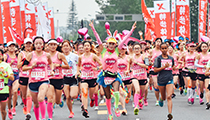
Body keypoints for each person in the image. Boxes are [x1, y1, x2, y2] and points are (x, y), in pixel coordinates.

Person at [90, 21, 136, 120]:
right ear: (106, 44)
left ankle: (116, 107)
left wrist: (131, 30)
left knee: (116, 91)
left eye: (113, 44)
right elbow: (98, 39)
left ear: (115, 45)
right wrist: (93, 28)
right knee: (107, 96)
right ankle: (110, 114)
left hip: (115, 75)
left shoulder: (116, 50)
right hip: (105, 76)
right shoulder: (103, 51)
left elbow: (124, 40)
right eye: (109, 43)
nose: (111, 45)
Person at [22, 36, 54, 120]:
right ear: (34, 45)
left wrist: (52, 70)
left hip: (44, 80)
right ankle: (38, 118)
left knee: (41, 98)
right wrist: (31, 66)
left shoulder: (47, 55)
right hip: (33, 81)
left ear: (43, 45)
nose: (38, 45)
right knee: (36, 104)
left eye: (40, 43)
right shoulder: (30, 55)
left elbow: (51, 63)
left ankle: (43, 118)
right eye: (37, 43)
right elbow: (23, 67)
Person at [75, 41, 102, 118]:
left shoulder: (93, 56)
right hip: (84, 77)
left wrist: (96, 68)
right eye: (85, 46)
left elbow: (101, 65)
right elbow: (78, 65)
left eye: (88, 46)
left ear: (90, 47)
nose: (86, 47)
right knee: (84, 92)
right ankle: (85, 110)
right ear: (83, 47)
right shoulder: (80, 57)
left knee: (90, 95)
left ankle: (92, 99)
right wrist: (77, 72)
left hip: (92, 78)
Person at [46, 39, 69, 120]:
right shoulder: (45, 55)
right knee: (50, 97)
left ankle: (59, 101)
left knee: (57, 100)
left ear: (57, 46)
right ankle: (50, 116)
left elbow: (67, 66)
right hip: (49, 78)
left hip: (58, 79)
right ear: (47, 46)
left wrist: (59, 65)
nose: (52, 46)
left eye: (54, 45)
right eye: (51, 45)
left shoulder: (59, 55)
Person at [154, 43, 175, 120]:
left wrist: (176, 67)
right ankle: (161, 99)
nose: (164, 50)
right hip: (161, 79)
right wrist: (164, 67)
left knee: (169, 96)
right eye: (162, 48)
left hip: (169, 78)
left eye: (165, 48)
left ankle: (170, 114)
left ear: (167, 48)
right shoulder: (158, 59)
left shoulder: (171, 58)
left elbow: (173, 67)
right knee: (164, 97)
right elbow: (155, 70)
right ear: (160, 49)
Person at [129, 42, 148, 115]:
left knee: (142, 93)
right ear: (133, 49)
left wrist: (137, 63)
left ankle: (140, 100)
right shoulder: (131, 57)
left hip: (143, 76)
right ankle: (136, 106)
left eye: (138, 48)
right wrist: (128, 70)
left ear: (141, 49)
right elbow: (129, 66)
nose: (136, 50)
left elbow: (147, 66)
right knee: (137, 90)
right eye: (135, 48)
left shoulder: (144, 56)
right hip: (134, 76)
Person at [61, 40, 79, 118]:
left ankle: (75, 95)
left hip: (73, 77)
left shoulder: (74, 56)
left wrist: (78, 72)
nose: (65, 47)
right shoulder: (60, 56)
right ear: (62, 48)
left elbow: (80, 64)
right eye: (64, 46)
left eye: (67, 46)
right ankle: (71, 111)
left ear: (70, 47)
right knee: (67, 96)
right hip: (64, 78)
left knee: (73, 95)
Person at [17, 38, 33, 119]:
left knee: (28, 94)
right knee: (23, 95)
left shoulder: (34, 53)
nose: (28, 45)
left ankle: (28, 111)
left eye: (30, 44)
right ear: (24, 45)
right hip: (23, 75)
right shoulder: (21, 53)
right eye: (27, 44)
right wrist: (24, 60)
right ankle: (25, 105)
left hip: (32, 76)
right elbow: (18, 66)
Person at [4, 41, 19, 118]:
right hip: (9, 76)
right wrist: (10, 64)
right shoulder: (6, 56)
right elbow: (3, 66)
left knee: (15, 91)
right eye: (10, 46)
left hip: (16, 75)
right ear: (7, 47)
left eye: (13, 46)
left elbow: (20, 65)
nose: (12, 47)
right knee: (9, 95)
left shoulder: (17, 55)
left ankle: (14, 108)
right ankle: (9, 109)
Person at [0, 49, 14, 120]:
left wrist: (5, 73)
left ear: (2, 56)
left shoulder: (6, 65)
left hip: (3, 90)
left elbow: (12, 78)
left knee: (2, 110)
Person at [149, 38, 162, 106]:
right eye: (157, 41)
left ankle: (162, 97)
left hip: (161, 70)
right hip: (154, 70)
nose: (158, 43)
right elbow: (149, 60)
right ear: (155, 42)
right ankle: (157, 99)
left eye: (160, 42)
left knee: (161, 86)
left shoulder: (163, 51)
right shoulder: (151, 51)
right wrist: (150, 62)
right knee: (156, 86)